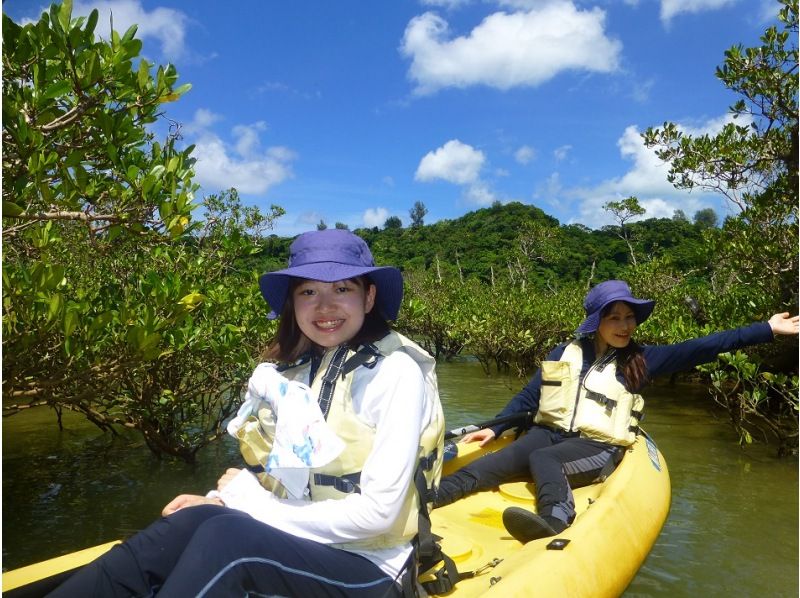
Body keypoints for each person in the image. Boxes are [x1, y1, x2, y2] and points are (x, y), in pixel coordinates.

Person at [48, 229, 444, 597]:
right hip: (302, 538)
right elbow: (282, 477)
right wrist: (220, 500)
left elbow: (377, 516)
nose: (325, 306)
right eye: (308, 291)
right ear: (293, 301)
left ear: (369, 297)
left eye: (342, 288)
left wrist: (252, 505)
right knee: (190, 522)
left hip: (373, 565)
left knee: (228, 542)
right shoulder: (295, 372)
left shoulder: (396, 374)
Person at [433, 279, 799, 544]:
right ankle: (424, 500)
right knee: (480, 469)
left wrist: (766, 329)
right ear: (597, 322)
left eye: (630, 317)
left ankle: (555, 521)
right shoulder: (565, 352)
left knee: (546, 460)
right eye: (615, 317)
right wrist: (496, 429)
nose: (625, 326)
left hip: (596, 445)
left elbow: (704, 347)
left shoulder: (643, 359)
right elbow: (530, 398)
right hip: (550, 432)